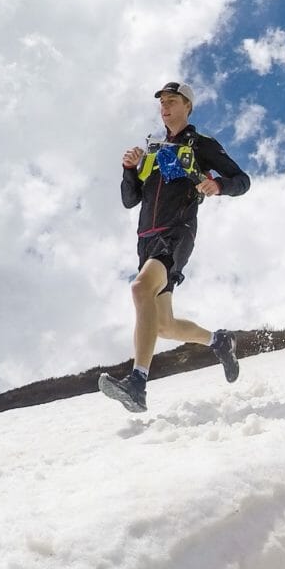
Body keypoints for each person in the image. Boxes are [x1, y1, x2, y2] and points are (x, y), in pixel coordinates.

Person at [98, 81, 252, 412]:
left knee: (140, 289)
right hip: (146, 239)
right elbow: (130, 199)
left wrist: (217, 185)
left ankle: (137, 384)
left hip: (177, 232)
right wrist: (129, 169)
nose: (165, 107)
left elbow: (242, 181)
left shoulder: (202, 145)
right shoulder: (153, 149)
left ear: (187, 107)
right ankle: (219, 341)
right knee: (163, 325)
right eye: (162, 102)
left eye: (172, 101)